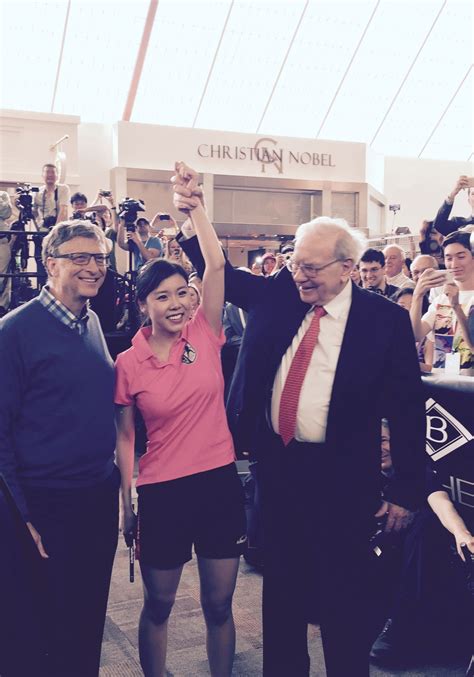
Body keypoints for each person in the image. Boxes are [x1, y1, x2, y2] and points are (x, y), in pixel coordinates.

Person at [179, 200, 426, 676]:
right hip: (278, 471)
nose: (299, 275)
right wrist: (194, 212)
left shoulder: (384, 322)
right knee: (283, 597)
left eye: (311, 267)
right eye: (295, 263)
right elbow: (220, 272)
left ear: (347, 268)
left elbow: (407, 411)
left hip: (344, 479)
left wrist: (406, 490)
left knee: (343, 604)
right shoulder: (279, 295)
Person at [114, 162, 246, 677]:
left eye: (179, 293)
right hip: (163, 491)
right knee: (159, 607)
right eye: (161, 296)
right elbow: (125, 439)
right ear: (143, 304)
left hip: (218, 483)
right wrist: (126, 503)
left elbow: (215, 266)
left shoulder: (204, 334)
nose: (174, 304)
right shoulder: (128, 364)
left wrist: (197, 209)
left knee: (219, 606)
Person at [0, 220, 120, 677]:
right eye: (80, 257)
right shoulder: (14, 332)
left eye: (100, 258)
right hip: (44, 503)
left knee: (86, 617)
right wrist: (22, 517)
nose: (94, 267)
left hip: (94, 496)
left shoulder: (89, 321)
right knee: (36, 629)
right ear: (50, 264)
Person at [410, 230, 474, 375]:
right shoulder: (441, 298)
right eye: (448, 258)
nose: (454, 264)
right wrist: (417, 296)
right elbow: (416, 335)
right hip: (443, 384)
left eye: (461, 256)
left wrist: (456, 307)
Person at [33, 163, 69, 228]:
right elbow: (33, 213)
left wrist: (55, 229)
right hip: (43, 228)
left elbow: (63, 210)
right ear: (42, 175)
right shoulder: (38, 192)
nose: (50, 175)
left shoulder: (63, 189)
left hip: (60, 228)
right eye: (47, 172)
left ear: (57, 176)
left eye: (53, 172)